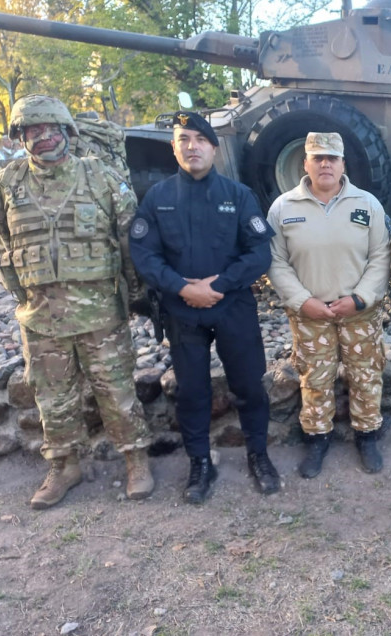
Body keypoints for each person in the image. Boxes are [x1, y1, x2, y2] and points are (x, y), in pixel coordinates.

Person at [0, 95, 153, 509]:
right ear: (21, 137)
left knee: (117, 392)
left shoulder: (100, 177)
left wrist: (135, 294)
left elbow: (130, 239)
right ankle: (63, 466)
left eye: (49, 129)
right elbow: (2, 245)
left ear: (66, 132)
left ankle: (136, 460)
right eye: (31, 131)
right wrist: (21, 294)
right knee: (53, 398)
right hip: (41, 318)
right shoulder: (7, 182)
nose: (42, 138)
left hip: (100, 313)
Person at [129, 111, 279, 504]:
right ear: (174, 148)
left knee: (248, 386)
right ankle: (199, 462)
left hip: (232, 306)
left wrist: (218, 285)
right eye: (183, 139)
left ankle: (258, 455)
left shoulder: (238, 195)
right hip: (183, 311)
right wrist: (181, 287)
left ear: (213, 147)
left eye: (200, 139)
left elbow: (259, 252)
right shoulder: (158, 198)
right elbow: (144, 255)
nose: (191, 146)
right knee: (192, 391)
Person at [267, 132, 391, 479]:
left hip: (359, 312)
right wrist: (302, 301)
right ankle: (317, 439)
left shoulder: (366, 204)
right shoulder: (283, 207)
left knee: (366, 376)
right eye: (318, 157)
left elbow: (382, 256)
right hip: (310, 315)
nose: (325, 164)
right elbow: (276, 261)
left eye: (332, 158)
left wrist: (360, 298)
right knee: (315, 380)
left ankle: (367, 436)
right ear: (304, 163)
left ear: (342, 165)